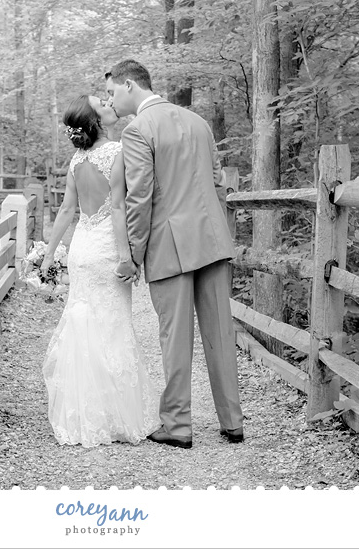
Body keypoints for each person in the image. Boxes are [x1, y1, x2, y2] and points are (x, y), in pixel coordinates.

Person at [105, 59, 244, 449]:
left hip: (170, 246)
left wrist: (133, 254)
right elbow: (218, 186)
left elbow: (139, 199)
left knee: (175, 337)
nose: (111, 101)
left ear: (131, 85)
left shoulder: (138, 130)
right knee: (220, 331)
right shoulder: (198, 122)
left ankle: (178, 425)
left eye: (113, 92)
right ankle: (232, 421)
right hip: (212, 240)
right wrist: (220, 233)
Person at [40, 94, 160, 447]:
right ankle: (118, 417)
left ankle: (85, 416)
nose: (108, 105)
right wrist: (126, 256)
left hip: (81, 248)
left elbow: (66, 211)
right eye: (101, 104)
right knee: (114, 325)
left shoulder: (76, 161)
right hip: (106, 248)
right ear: (96, 121)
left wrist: (49, 255)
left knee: (84, 323)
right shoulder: (117, 152)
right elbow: (120, 208)